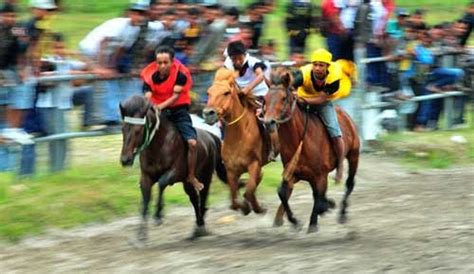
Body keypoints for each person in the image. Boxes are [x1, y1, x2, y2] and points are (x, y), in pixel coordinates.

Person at [140, 46, 203, 191]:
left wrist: (159, 107)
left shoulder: (180, 75)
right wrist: (151, 107)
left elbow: (175, 98)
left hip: (178, 112)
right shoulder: (149, 76)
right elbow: (148, 96)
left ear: (172, 62)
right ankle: (144, 171)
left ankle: (191, 176)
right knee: (140, 134)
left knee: (192, 143)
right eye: (159, 62)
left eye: (165, 62)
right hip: (158, 112)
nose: (162, 66)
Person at [291, 48, 351, 183]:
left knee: (335, 133)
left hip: (322, 102)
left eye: (321, 65)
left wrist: (302, 100)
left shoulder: (335, 77)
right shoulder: (303, 73)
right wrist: (293, 93)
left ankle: (340, 165)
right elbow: (289, 86)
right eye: (315, 64)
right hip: (302, 98)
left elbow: (321, 99)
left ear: (328, 67)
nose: (317, 68)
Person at [223, 40, 278, 161]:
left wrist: (248, 89)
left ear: (245, 55)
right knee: (225, 115)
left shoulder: (253, 62)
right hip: (239, 94)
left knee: (262, 119)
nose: (237, 61)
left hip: (258, 95)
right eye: (234, 59)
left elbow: (260, 76)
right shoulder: (227, 63)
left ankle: (271, 149)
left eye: (240, 58)